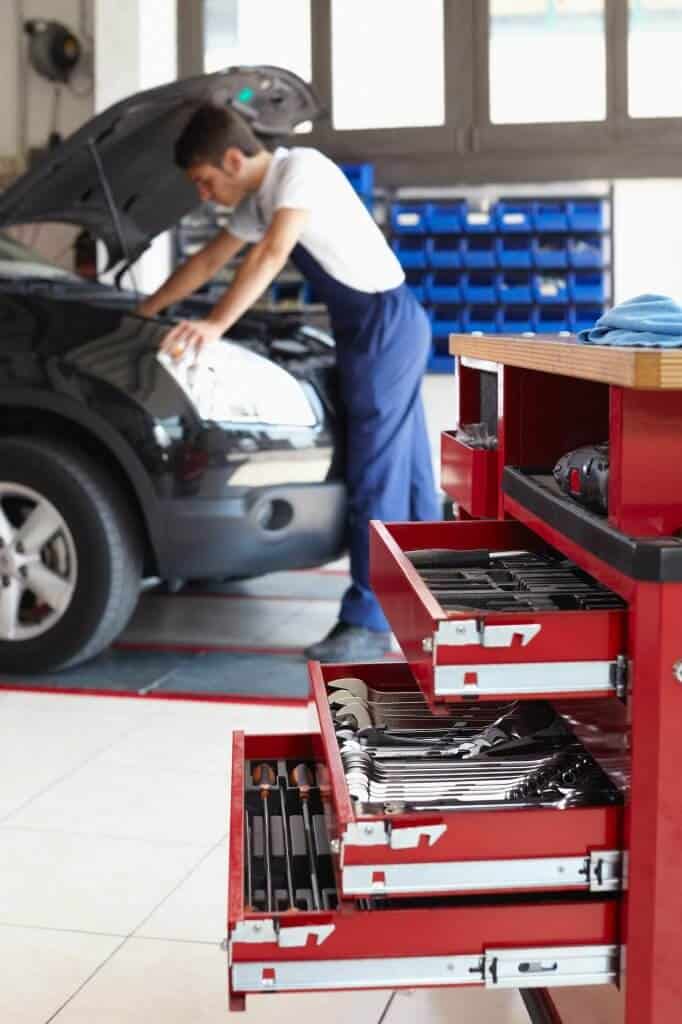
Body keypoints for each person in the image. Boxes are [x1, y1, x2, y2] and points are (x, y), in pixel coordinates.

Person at [137, 103, 440, 662]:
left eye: (205, 182)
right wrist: (145, 310)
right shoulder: (261, 198)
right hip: (366, 328)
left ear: (233, 158)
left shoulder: (300, 169)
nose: (204, 195)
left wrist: (214, 324)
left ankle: (368, 619)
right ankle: (435, 596)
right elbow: (208, 260)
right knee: (410, 472)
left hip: (383, 324)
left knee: (376, 474)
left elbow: (272, 254)